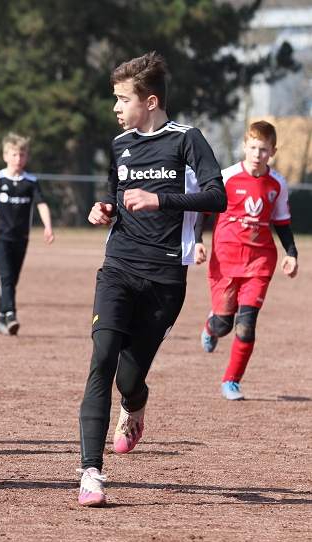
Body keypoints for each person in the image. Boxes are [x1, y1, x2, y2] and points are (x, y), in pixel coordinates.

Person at [77, 52, 226, 508]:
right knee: (102, 357)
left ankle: (134, 404)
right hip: (119, 266)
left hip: (165, 279)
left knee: (128, 378)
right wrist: (102, 208)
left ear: (152, 100)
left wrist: (160, 201)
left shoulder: (188, 140)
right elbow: (113, 193)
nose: (116, 108)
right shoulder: (120, 144)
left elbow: (217, 196)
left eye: (123, 99)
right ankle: (91, 473)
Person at [194, 121, 298, 400]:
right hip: (225, 260)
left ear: (272, 151)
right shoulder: (226, 177)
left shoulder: (277, 183)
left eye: (263, 149)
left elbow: (282, 223)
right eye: (252, 147)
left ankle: (232, 381)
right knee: (224, 324)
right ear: (244, 146)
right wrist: (199, 242)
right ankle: (211, 326)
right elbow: (204, 211)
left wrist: (291, 253)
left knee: (246, 324)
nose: (257, 154)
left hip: (260, 262)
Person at [0, 132, 54, 335]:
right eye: (14, 154)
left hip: (21, 239)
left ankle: (0, 316)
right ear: (5, 156)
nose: (18, 158)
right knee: (6, 277)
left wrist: (48, 227)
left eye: (22, 154)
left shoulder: (30, 181)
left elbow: (42, 205)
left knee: (11, 279)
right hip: (0, 238)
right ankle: (11, 314)